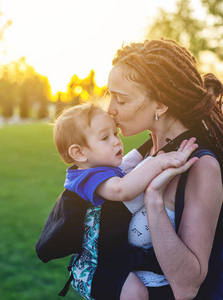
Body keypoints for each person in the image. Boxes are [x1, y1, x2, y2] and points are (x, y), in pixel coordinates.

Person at [105, 38, 223, 299]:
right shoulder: (147, 152)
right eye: (110, 96)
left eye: (121, 100)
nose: (111, 109)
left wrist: (154, 199)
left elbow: (187, 287)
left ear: (160, 104)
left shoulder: (201, 166)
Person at [51, 101, 198, 300]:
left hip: (111, 257)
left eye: (115, 133)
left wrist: (154, 142)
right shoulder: (86, 178)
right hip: (96, 267)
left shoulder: (96, 168)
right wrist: (159, 161)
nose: (116, 141)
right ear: (79, 153)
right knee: (136, 293)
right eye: (105, 137)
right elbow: (123, 189)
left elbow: (131, 161)